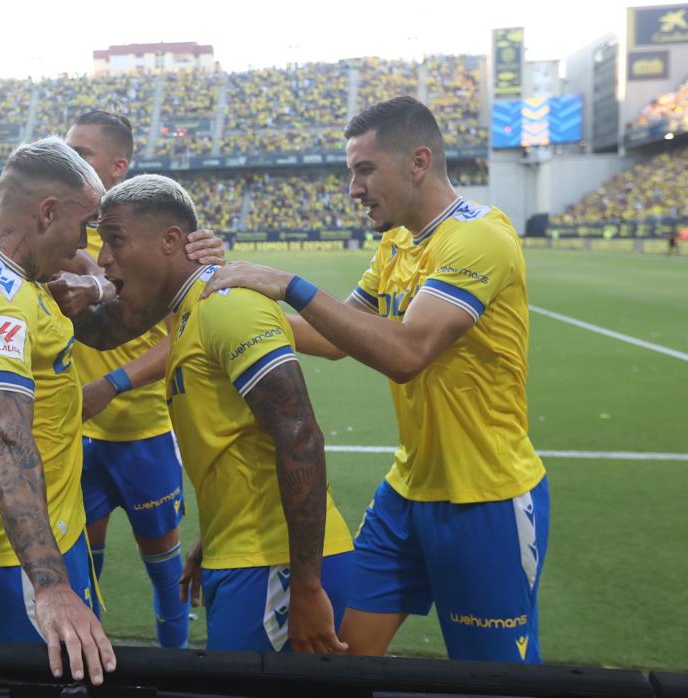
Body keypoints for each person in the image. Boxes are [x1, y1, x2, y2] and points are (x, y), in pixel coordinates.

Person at [201, 96, 549, 663]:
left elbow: (408, 352)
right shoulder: (396, 244)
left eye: (364, 170)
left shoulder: (479, 237)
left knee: (496, 677)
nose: (353, 189)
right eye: (350, 172)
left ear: (417, 161)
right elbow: (339, 335)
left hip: (486, 499)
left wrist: (288, 283)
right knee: (341, 653)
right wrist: (221, 310)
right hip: (407, 492)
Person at [65, 174, 353, 653]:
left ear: (172, 241)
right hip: (242, 554)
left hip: (274, 567)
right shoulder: (187, 313)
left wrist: (304, 586)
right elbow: (236, 439)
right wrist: (214, 537)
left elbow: (300, 437)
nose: (104, 257)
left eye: (114, 240)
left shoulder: (226, 305)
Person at [0, 137, 114, 683]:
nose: (85, 243)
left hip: (30, 533)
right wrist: (51, 586)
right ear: (47, 212)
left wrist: (97, 290)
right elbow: (6, 437)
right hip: (19, 561)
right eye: (83, 224)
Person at [59, 111, 192, 648]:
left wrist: (111, 383)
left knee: (165, 572)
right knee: (83, 571)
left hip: (144, 432)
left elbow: (183, 337)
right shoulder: (63, 237)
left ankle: (177, 666)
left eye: (83, 153)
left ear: (119, 165)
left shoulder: (162, 241)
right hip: (81, 435)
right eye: (66, 150)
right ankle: (88, 667)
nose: (70, 161)